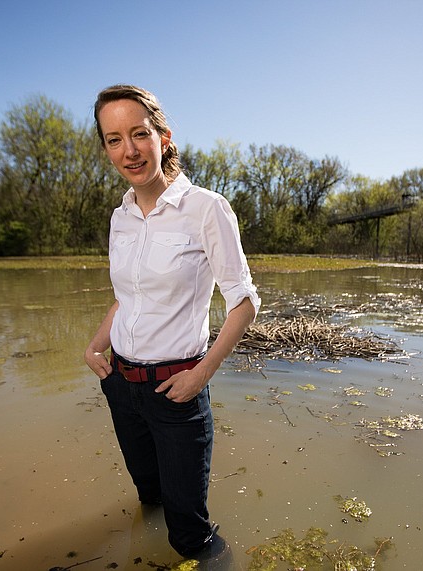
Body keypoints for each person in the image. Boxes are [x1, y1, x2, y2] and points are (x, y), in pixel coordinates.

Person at [83, 84, 259, 561]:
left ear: (163, 137)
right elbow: (128, 297)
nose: (129, 150)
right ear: (106, 148)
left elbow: (244, 301)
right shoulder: (120, 216)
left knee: (190, 537)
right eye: (114, 139)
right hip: (120, 383)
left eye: (139, 134)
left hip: (177, 390)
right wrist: (95, 348)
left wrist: (200, 374)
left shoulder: (206, 208)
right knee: (149, 497)